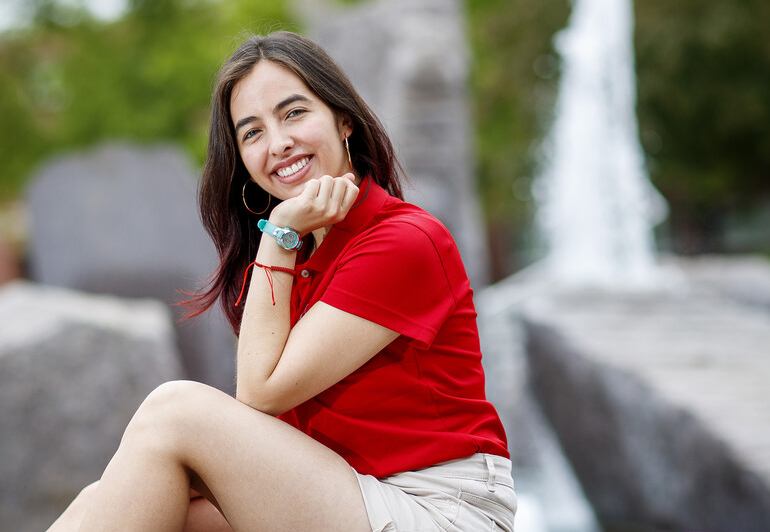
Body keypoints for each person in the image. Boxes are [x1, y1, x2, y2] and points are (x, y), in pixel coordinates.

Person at [45, 30, 514, 532]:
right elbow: (268, 423)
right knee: (116, 496)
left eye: (294, 113)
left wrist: (280, 234)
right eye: (252, 133)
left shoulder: (401, 241)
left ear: (344, 120)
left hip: (440, 508)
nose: (278, 143)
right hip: (352, 493)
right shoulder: (297, 261)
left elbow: (261, 393)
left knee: (174, 411)